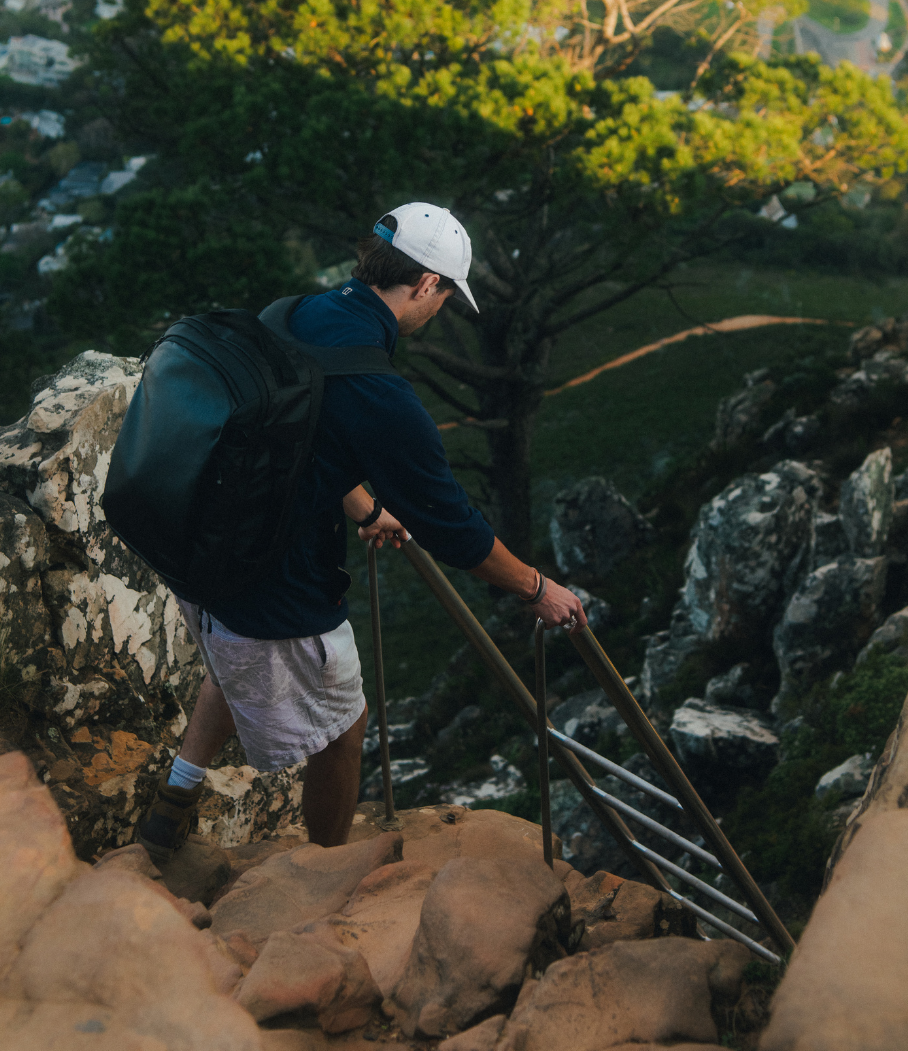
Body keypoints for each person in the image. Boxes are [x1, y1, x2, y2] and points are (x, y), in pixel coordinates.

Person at [137, 202, 587, 860]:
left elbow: (297, 431)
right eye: (445, 295)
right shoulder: (381, 396)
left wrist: (364, 507)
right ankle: (327, 870)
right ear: (428, 283)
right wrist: (536, 587)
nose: (441, 310)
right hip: (276, 577)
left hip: (195, 538)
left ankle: (175, 798)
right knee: (347, 730)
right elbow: (454, 529)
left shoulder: (287, 314)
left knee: (233, 654)